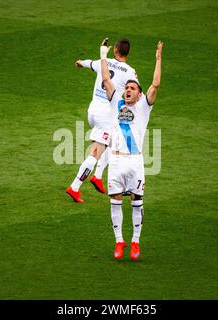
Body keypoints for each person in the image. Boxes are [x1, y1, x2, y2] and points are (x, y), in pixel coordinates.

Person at [100, 39, 163, 260]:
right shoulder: (115, 101)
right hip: (116, 160)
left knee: (137, 200)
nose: (127, 90)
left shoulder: (145, 106)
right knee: (115, 200)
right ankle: (119, 242)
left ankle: (135, 242)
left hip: (135, 161)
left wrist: (158, 59)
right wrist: (102, 53)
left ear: (139, 93)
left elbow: (155, 85)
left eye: (132, 88)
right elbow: (106, 78)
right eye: (126, 87)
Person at [66, 38, 139, 203]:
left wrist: (79, 62)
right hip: (106, 116)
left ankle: (98, 177)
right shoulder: (129, 71)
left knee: (115, 141)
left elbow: (88, 63)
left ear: (115, 51)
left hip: (92, 112)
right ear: (128, 53)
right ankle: (75, 187)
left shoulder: (103, 63)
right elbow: (136, 90)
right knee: (95, 153)